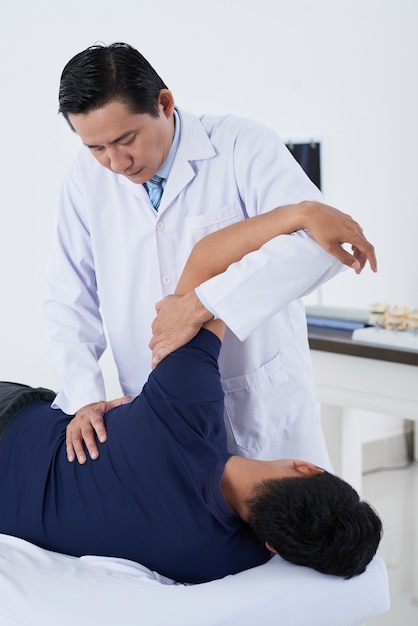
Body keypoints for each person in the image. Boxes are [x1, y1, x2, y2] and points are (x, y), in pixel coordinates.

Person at [0, 209, 382, 583]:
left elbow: (206, 257)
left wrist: (301, 213)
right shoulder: (216, 559)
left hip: (13, 424)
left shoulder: (182, 410)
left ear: (307, 467)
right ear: (273, 546)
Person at [45, 42, 377, 468]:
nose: (116, 162)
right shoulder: (84, 178)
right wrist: (84, 397)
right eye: (96, 148)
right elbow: (69, 291)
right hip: (160, 406)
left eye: (126, 139)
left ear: (164, 103)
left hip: (257, 402)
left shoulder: (243, 145)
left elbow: (318, 245)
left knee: (290, 528)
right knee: (186, 524)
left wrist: (206, 303)